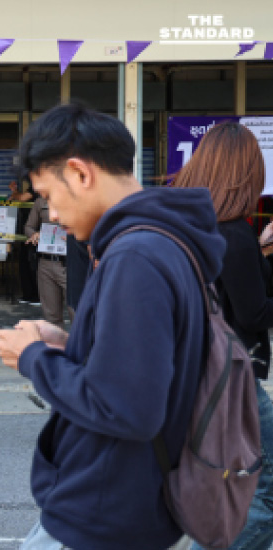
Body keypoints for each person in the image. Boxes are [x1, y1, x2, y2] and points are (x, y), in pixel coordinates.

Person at [0, 102, 226, 550]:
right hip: (133, 506)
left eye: (48, 196)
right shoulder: (166, 241)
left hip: (102, 513)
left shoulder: (134, 256)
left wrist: (33, 358)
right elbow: (147, 368)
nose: (51, 214)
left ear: (80, 173)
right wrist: (74, 346)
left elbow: (126, 407)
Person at [171, 122, 273, 550]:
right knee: (261, 492)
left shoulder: (189, 226)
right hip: (237, 377)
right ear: (244, 172)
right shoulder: (233, 233)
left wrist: (263, 252)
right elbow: (254, 311)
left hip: (198, 374)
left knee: (225, 488)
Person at [24, 196, 67, 326]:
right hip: (46, 262)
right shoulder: (41, 201)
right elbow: (28, 226)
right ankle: (56, 346)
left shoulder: (78, 195)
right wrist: (34, 234)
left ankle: (81, 346)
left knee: (77, 312)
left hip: (69, 263)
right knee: (51, 316)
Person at [8, 180, 40, 304]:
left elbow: (22, 198)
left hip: (35, 232)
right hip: (26, 231)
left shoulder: (36, 188)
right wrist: (15, 192)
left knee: (33, 263)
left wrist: (16, 194)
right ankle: (28, 295)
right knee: (24, 263)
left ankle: (36, 296)